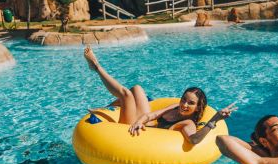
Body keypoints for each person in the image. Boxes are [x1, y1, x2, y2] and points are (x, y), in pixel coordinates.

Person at [84, 46, 235, 144]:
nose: (184, 104)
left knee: (127, 95)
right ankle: (109, 108)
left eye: (190, 103)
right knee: (137, 89)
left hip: (136, 138)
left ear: (198, 108)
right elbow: (151, 116)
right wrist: (140, 121)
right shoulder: (176, 107)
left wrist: (214, 120)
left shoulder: (188, 123)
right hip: (139, 126)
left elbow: (194, 140)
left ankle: (96, 67)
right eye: (184, 99)